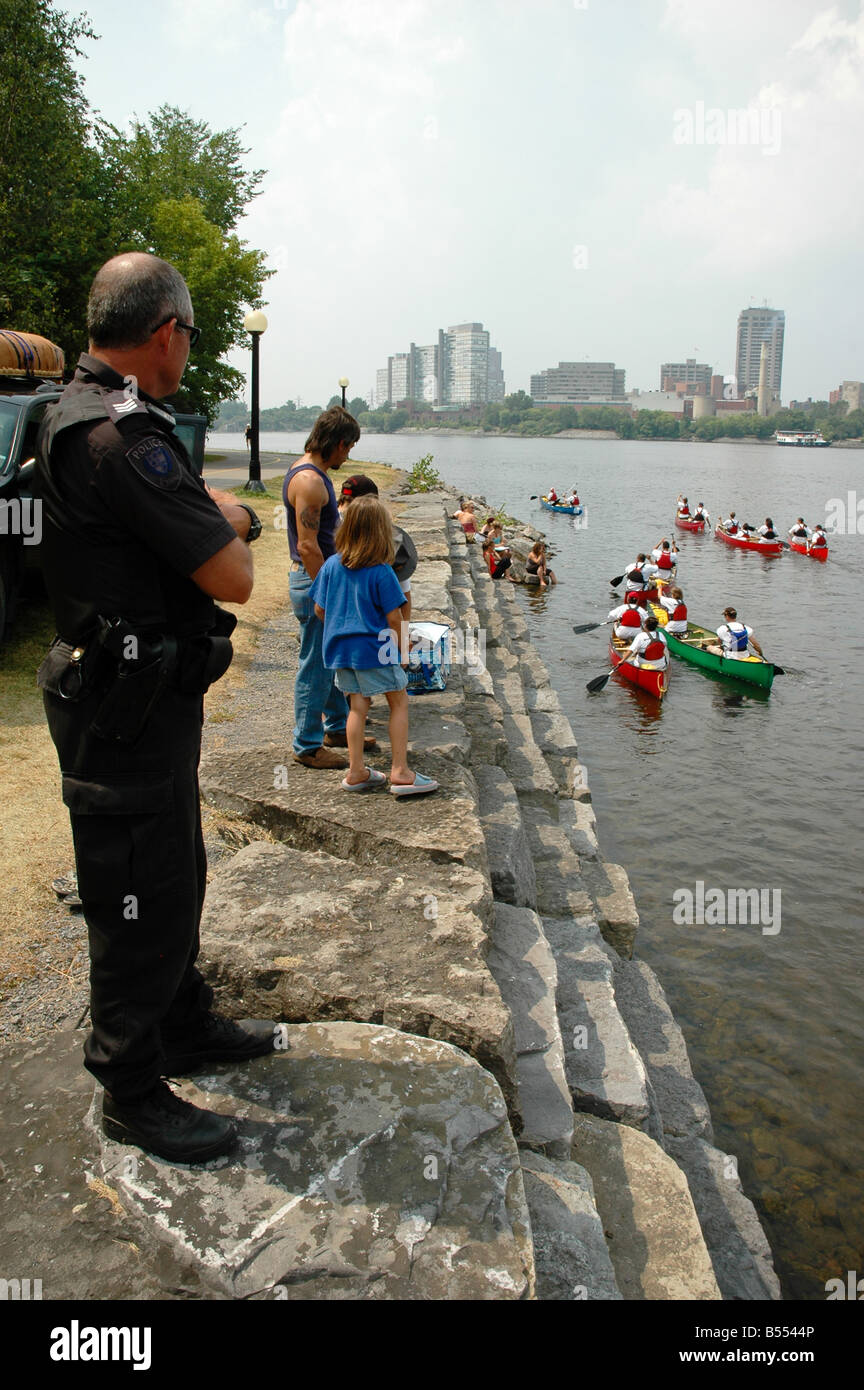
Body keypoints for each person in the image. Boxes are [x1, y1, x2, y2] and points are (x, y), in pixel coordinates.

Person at [33, 252, 274, 1165]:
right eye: (190, 334)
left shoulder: (66, 409)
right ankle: (130, 1085)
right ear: (166, 331)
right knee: (136, 892)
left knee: (172, 869)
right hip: (125, 704)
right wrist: (237, 520)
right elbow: (234, 574)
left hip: (127, 694)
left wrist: (206, 508)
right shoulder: (126, 435)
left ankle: (180, 1018)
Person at [311, 495, 438, 797]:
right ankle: (400, 772)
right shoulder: (382, 571)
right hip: (376, 648)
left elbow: (319, 610)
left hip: (341, 651)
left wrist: (340, 625)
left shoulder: (331, 566)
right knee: (399, 701)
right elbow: (395, 618)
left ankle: (357, 772)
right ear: (381, 533)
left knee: (357, 705)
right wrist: (403, 652)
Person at [284, 406, 367, 770]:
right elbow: (307, 545)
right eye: (348, 447)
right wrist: (327, 593)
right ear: (337, 443)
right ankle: (306, 744)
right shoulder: (311, 482)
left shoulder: (310, 473)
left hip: (315, 578)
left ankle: (336, 726)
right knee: (315, 666)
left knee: (327, 659)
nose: (348, 455)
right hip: (312, 579)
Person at [338, 474, 417, 619]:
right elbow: (402, 599)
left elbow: (320, 608)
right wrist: (404, 637)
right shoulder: (383, 570)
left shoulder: (327, 527)